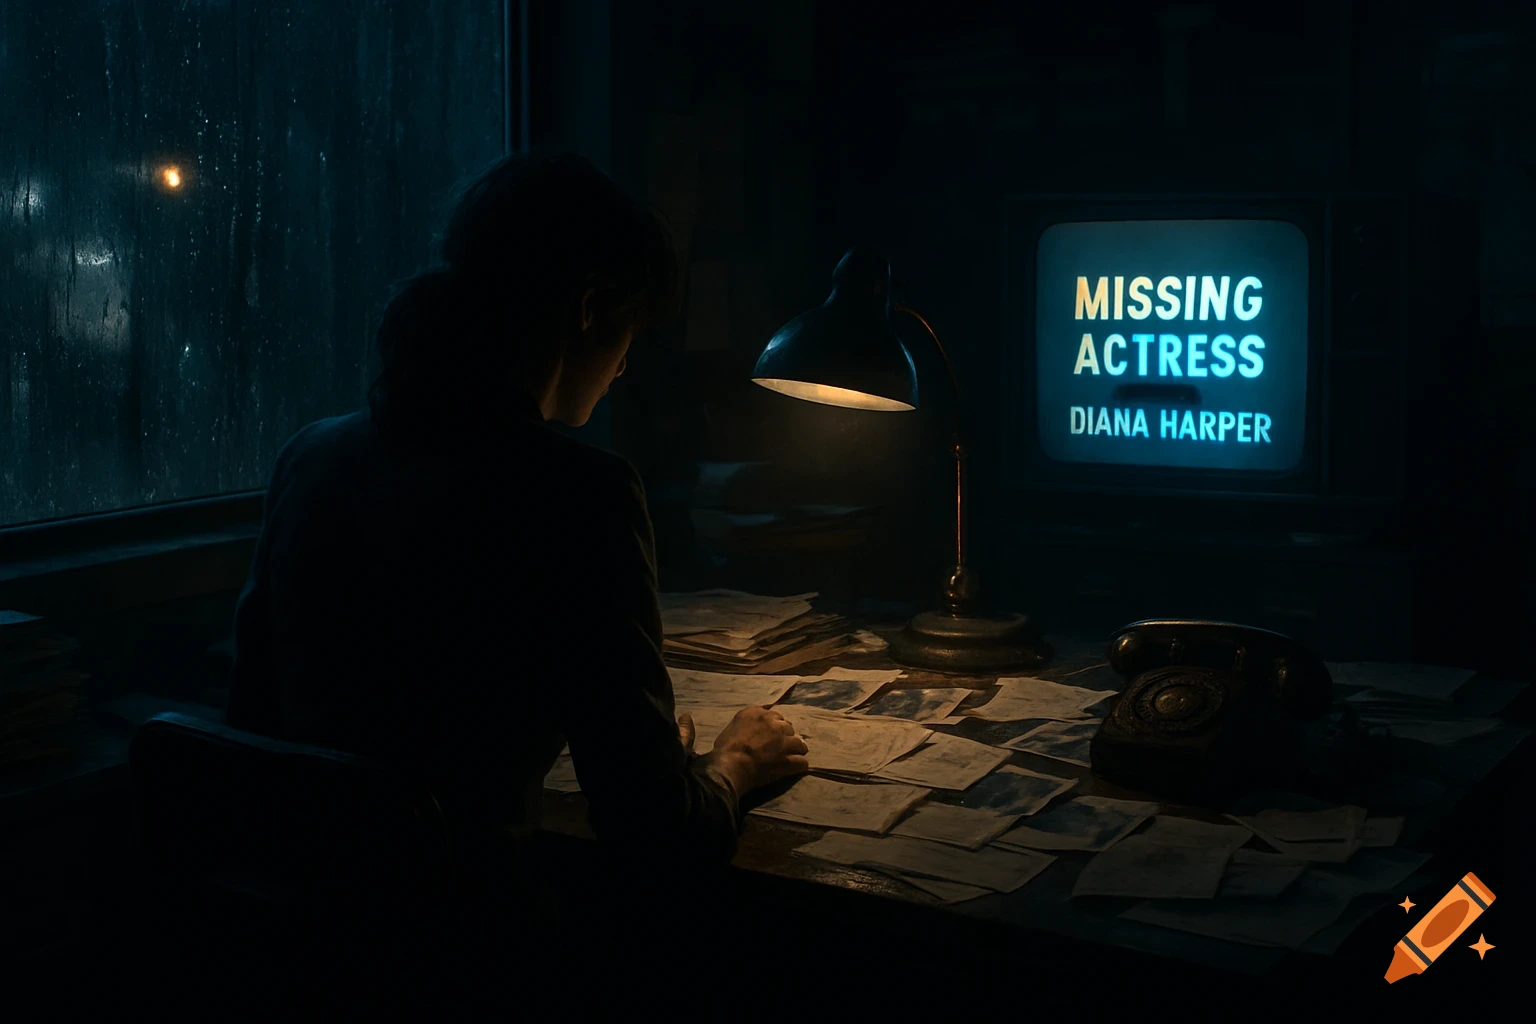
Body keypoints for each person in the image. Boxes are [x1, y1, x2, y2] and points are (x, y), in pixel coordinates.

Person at [225, 151, 809, 977]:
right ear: (589, 308)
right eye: (631, 333)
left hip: (295, 943)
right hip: (467, 949)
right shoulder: (581, 495)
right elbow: (656, 835)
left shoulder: (311, 456)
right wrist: (734, 765)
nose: (627, 363)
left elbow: (257, 716)